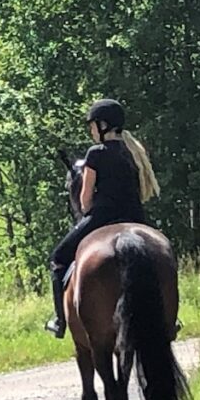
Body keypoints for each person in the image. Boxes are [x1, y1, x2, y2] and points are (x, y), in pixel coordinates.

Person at [45, 98, 160, 338]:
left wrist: (89, 209)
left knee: (57, 259)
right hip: (136, 217)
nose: (91, 131)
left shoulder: (95, 154)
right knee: (156, 260)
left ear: (103, 125)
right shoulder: (134, 151)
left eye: (92, 125)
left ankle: (60, 320)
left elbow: (86, 200)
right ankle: (168, 315)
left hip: (102, 217)